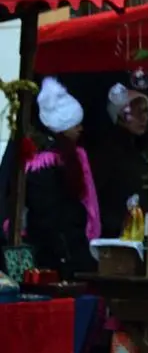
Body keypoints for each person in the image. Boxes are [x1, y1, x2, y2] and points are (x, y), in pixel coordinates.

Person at [21, 77, 98, 277]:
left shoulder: (66, 159)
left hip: (63, 249)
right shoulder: (50, 166)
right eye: (75, 124)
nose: (80, 128)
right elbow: (50, 215)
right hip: (60, 254)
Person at [89, 81, 148, 237]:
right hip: (117, 234)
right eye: (137, 112)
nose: (144, 118)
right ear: (122, 116)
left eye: (146, 112)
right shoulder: (109, 151)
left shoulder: (141, 148)